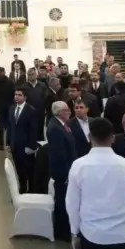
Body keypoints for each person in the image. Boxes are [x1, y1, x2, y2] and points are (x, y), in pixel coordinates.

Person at [66, 118, 125, 249]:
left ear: (89, 137)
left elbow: (72, 204)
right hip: (123, 234)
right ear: (113, 138)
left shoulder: (78, 166)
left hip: (92, 234)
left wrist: (74, 232)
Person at [48, 100, 77, 241]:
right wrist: (67, 174)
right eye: (67, 110)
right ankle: (62, 231)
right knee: (62, 200)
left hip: (65, 169)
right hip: (61, 172)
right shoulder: (55, 128)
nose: (70, 112)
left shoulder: (62, 125)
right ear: (59, 113)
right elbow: (59, 154)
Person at [6, 87, 38, 194]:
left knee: (29, 171)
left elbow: (34, 130)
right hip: (15, 145)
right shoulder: (11, 108)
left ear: (25, 97)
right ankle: (22, 190)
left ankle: (32, 190)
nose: (16, 97)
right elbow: (10, 127)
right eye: (15, 94)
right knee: (19, 170)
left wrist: (31, 146)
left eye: (19, 95)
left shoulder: (31, 110)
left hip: (26, 146)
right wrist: (8, 143)